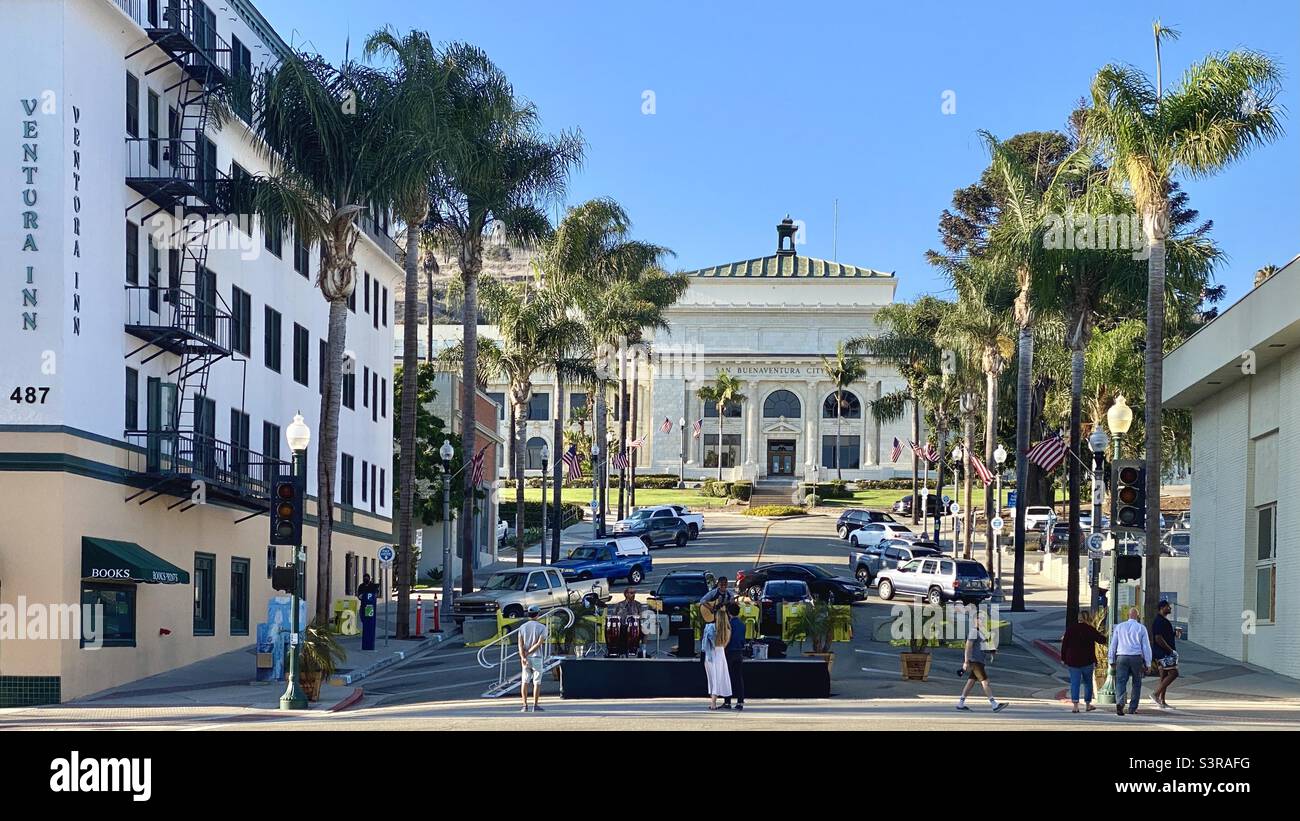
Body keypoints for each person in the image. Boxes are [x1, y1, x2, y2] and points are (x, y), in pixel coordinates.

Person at [957, 608, 1006, 712]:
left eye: (983, 619)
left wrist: (991, 651)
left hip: (979, 661)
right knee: (985, 681)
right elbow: (968, 646)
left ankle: (960, 704)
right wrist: (966, 661)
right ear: (975, 620)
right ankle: (994, 704)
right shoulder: (974, 631)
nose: (982, 620)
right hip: (975, 661)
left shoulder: (981, 632)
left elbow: (981, 647)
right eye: (980, 618)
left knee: (970, 682)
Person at [1060, 609, 1107, 713]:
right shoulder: (1090, 629)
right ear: (1088, 618)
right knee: (1088, 683)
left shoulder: (1071, 629)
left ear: (1079, 618)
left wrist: (1063, 658)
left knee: (1074, 683)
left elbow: (1065, 645)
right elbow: (1102, 640)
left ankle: (1075, 706)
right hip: (1087, 660)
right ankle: (1087, 704)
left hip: (1073, 660)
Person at [1108, 606, 1152, 716]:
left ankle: (1120, 703)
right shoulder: (1141, 628)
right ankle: (1133, 707)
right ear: (1137, 616)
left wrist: (1111, 659)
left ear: (1128, 615)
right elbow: (1146, 647)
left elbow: (1113, 644)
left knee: (1121, 681)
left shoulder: (1119, 627)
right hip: (1136, 657)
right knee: (1137, 682)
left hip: (1121, 656)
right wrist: (1148, 663)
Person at [517, 605, 548, 713]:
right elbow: (539, 643)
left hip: (525, 658)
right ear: (538, 614)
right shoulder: (542, 627)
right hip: (537, 657)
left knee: (524, 681)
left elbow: (520, 645)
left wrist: (523, 656)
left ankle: (524, 705)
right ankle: (535, 705)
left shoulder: (522, 627)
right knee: (537, 682)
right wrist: (529, 652)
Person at [1150, 600, 1180, 710]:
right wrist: (1170, 651)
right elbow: (1158, 638)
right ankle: (1156, 694)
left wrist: (1174, 634)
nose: (1170, 609)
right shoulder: (1159, 621)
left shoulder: (1163, 621)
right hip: (1164, 653)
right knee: (1174, 673)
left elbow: (1165, 636)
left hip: (1162, 653)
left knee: (1164, 676)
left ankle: (1162, 701)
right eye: (1168, 607)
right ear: (1162, 608)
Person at [701, 612, 732, 710]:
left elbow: (705, 643)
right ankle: (713, 702)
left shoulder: (711, 628)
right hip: (720, 653)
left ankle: (713, 703)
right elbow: (725, 644)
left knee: (712, 679)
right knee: (718, 678)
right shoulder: (727, 630)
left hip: (711, 654)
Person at [720, 602, 746, 711]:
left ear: (729, 612)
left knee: (728, 677)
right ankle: (740, 701)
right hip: (739, 652)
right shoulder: (742, 624)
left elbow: (726, 639)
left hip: (729, 652)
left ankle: (727, 701)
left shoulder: (728, 624)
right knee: (738, 677)